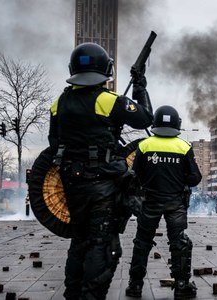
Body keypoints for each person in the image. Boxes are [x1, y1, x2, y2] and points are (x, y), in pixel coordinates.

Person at [48, 42, 153, 299]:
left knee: (80, 240)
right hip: (103, 186)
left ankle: (73, 293)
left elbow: (54, 143)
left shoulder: (59, 103)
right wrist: (140, 87)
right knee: (102, 245)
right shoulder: (107, 100)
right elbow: (145, 118)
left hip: (73, 184)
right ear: (106, 70)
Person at [126, 105, 202, 299]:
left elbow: (135, 175)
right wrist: (180, 176)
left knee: (142, 242)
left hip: (149, 202)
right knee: (179, 243)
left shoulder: (144, 145)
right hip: (175, 203)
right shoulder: (184, 146)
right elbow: (195, 178)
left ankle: (135, 285)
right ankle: (182, 285)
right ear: (177, 124)